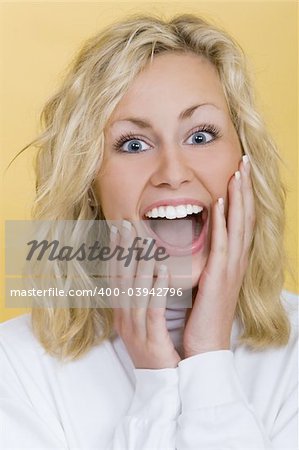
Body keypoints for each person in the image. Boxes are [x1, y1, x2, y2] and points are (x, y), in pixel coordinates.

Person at [1, 14, 298, 449]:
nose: (173, 173)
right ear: (89, 185)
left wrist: (208, 356)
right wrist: (157, 386)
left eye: (200, 136)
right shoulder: (14, 364)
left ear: (244, 160)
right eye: (133, 144)